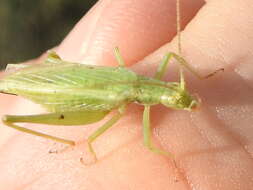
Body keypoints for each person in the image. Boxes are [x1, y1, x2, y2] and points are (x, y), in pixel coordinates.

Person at [0, 0, 253, 189]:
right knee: (15, 118)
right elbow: (149, 145)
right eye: (175, 90)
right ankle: (66, 143)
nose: (175, 89)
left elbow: (169, 55)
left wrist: (195, 83)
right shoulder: (127, 90)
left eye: (175, 90)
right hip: (68, 96)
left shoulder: (131, 74)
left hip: (92, 80)